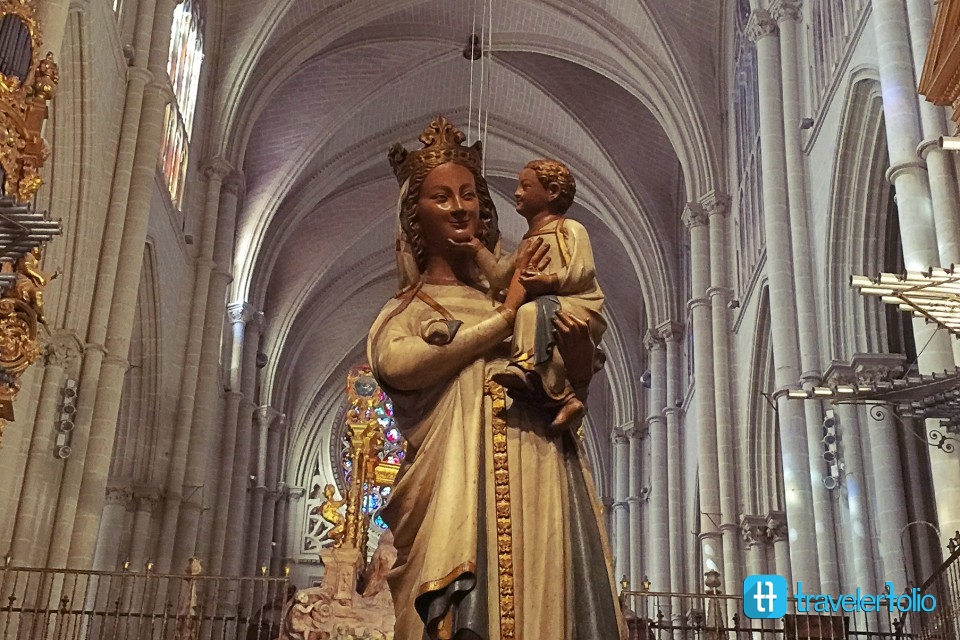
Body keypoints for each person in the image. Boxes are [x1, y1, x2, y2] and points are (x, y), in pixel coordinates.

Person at [367, 116, 627, 640]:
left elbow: (567, 386)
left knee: (547, 598)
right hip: (455, 490)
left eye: (468, 196)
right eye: (441, 197)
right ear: (414, 216)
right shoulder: (409, 308)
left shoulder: (516, 295)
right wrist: (504, 319)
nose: (460, 208)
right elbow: (397, 364)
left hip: (540, 468)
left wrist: (576, 359)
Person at [460, 159, 606, 431]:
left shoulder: (569, 229)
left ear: (551, 192)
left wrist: (549, 280)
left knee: (528, 312)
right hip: (546, 308)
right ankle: (544, 386)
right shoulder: (530, 239)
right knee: (530, 313)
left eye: (525, 186)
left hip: (578, 306)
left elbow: (583, 270)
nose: (517, 192)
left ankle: (543, 379)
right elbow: (499, 275)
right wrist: (476, 247)